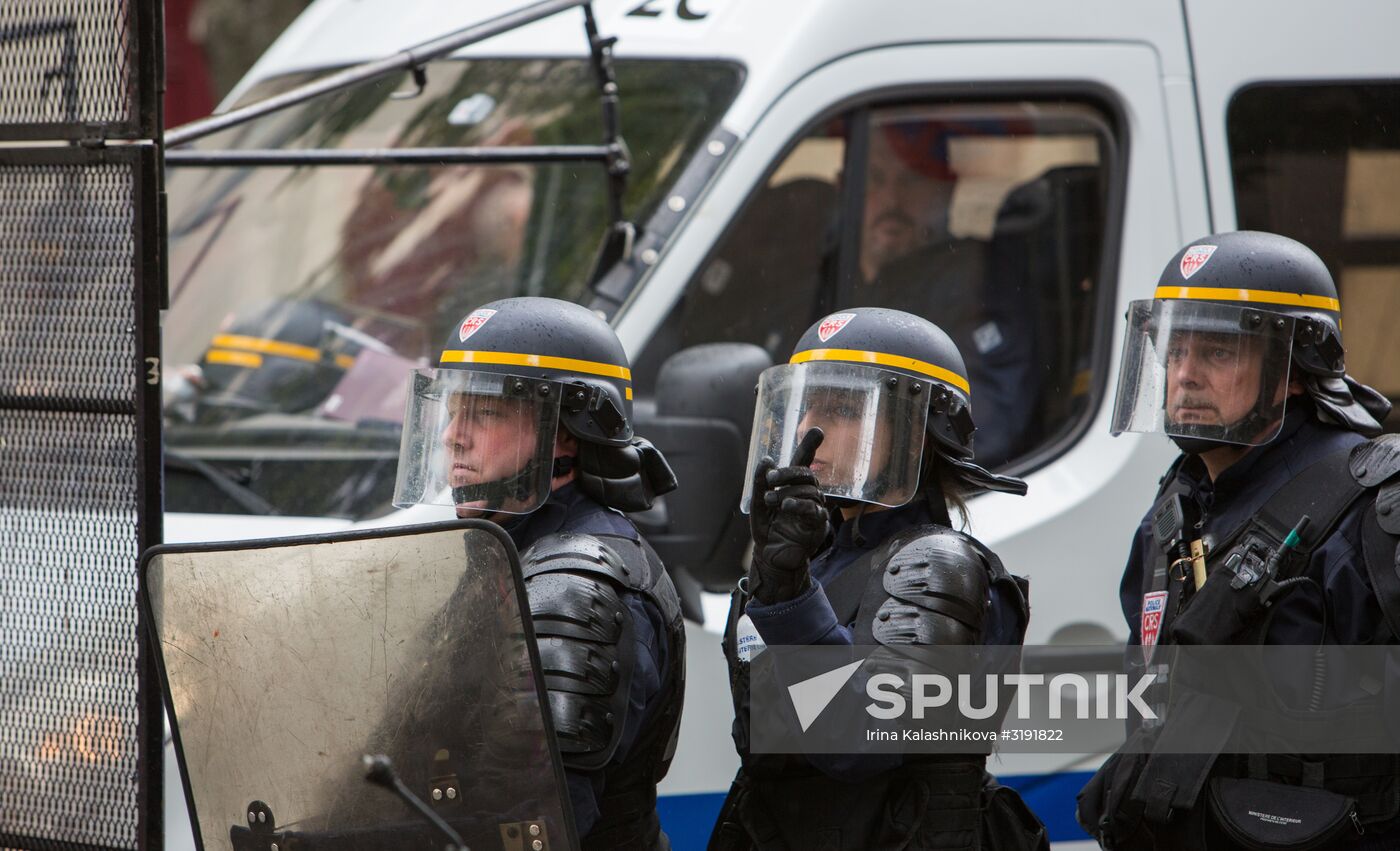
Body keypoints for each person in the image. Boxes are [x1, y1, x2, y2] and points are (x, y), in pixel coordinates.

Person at [1077, 231, 1400, 849]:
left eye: (1219, 353)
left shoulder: (1375, 508)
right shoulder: (1176, 507)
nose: (1186, 376)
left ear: (1296, 370)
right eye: (1175, 352)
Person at [709, 306, 1049, 850]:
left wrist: (789, 597)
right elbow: (765, 743)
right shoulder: (812, 557)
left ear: (921, 432)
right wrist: (776, 580)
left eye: (842, 408)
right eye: (803, 406)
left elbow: (854, 743)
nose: (807, 430)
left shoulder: (941, 563)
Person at [392, 296, 685, 851]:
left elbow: (528, 827)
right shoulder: (510, 547)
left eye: (488, 411)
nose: (455, 435)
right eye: (455, 409)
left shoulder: (575, 586)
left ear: (568, 433)